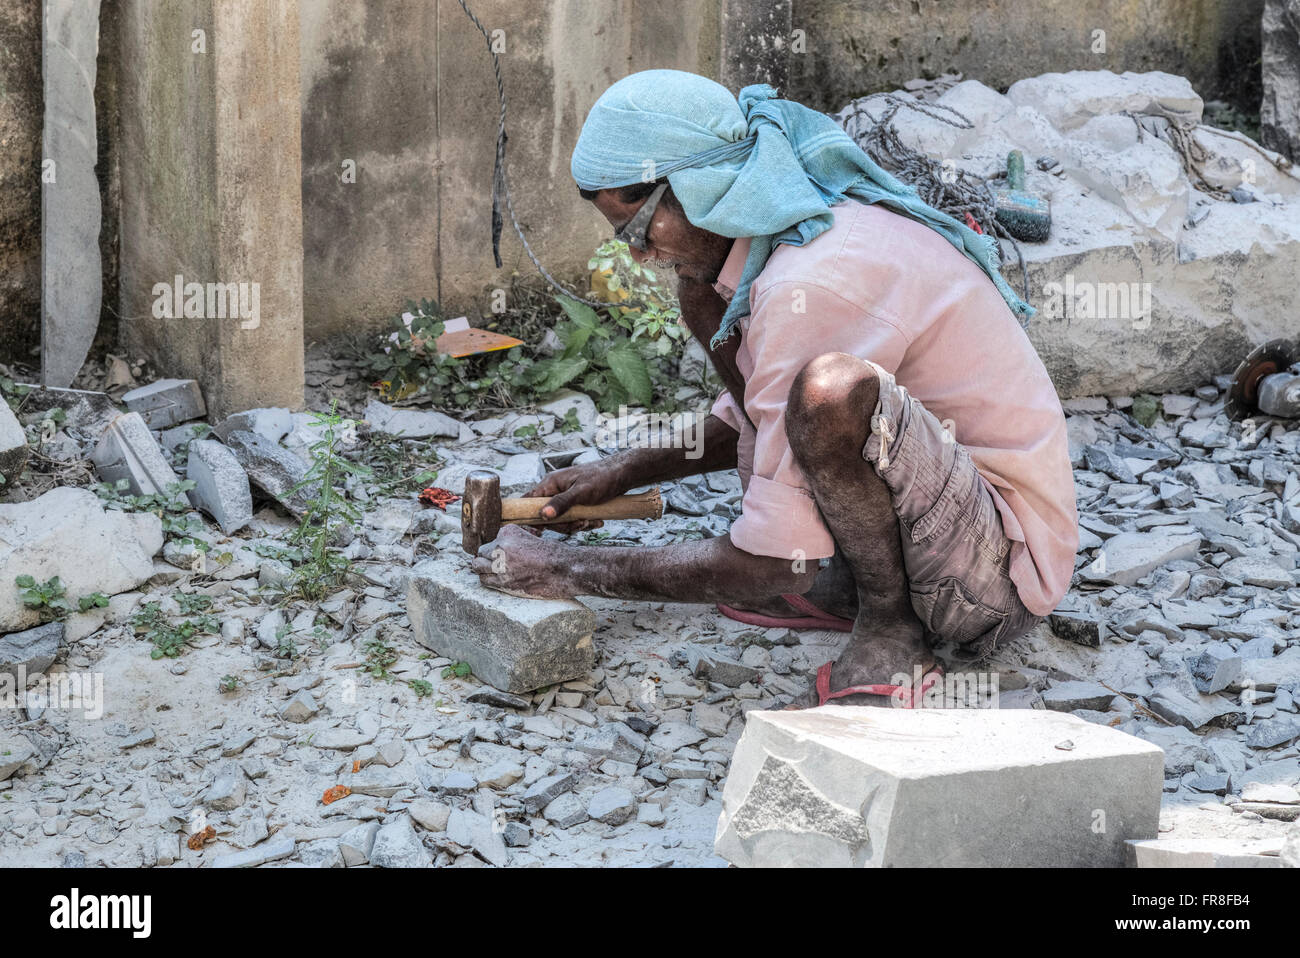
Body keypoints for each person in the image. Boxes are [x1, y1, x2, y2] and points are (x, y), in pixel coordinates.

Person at [472, 70, 1077, 708]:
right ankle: (839, 584)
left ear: (694, 186)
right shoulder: (770, 245)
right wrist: (621, 470)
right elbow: (760, 413)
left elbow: (784, 504)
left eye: (637, 229)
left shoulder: (813, 282)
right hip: (932, 530)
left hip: (992, 579)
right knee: (703, 298)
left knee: (829, 393)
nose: (638, 255)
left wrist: (566, 570)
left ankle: (892, 629)